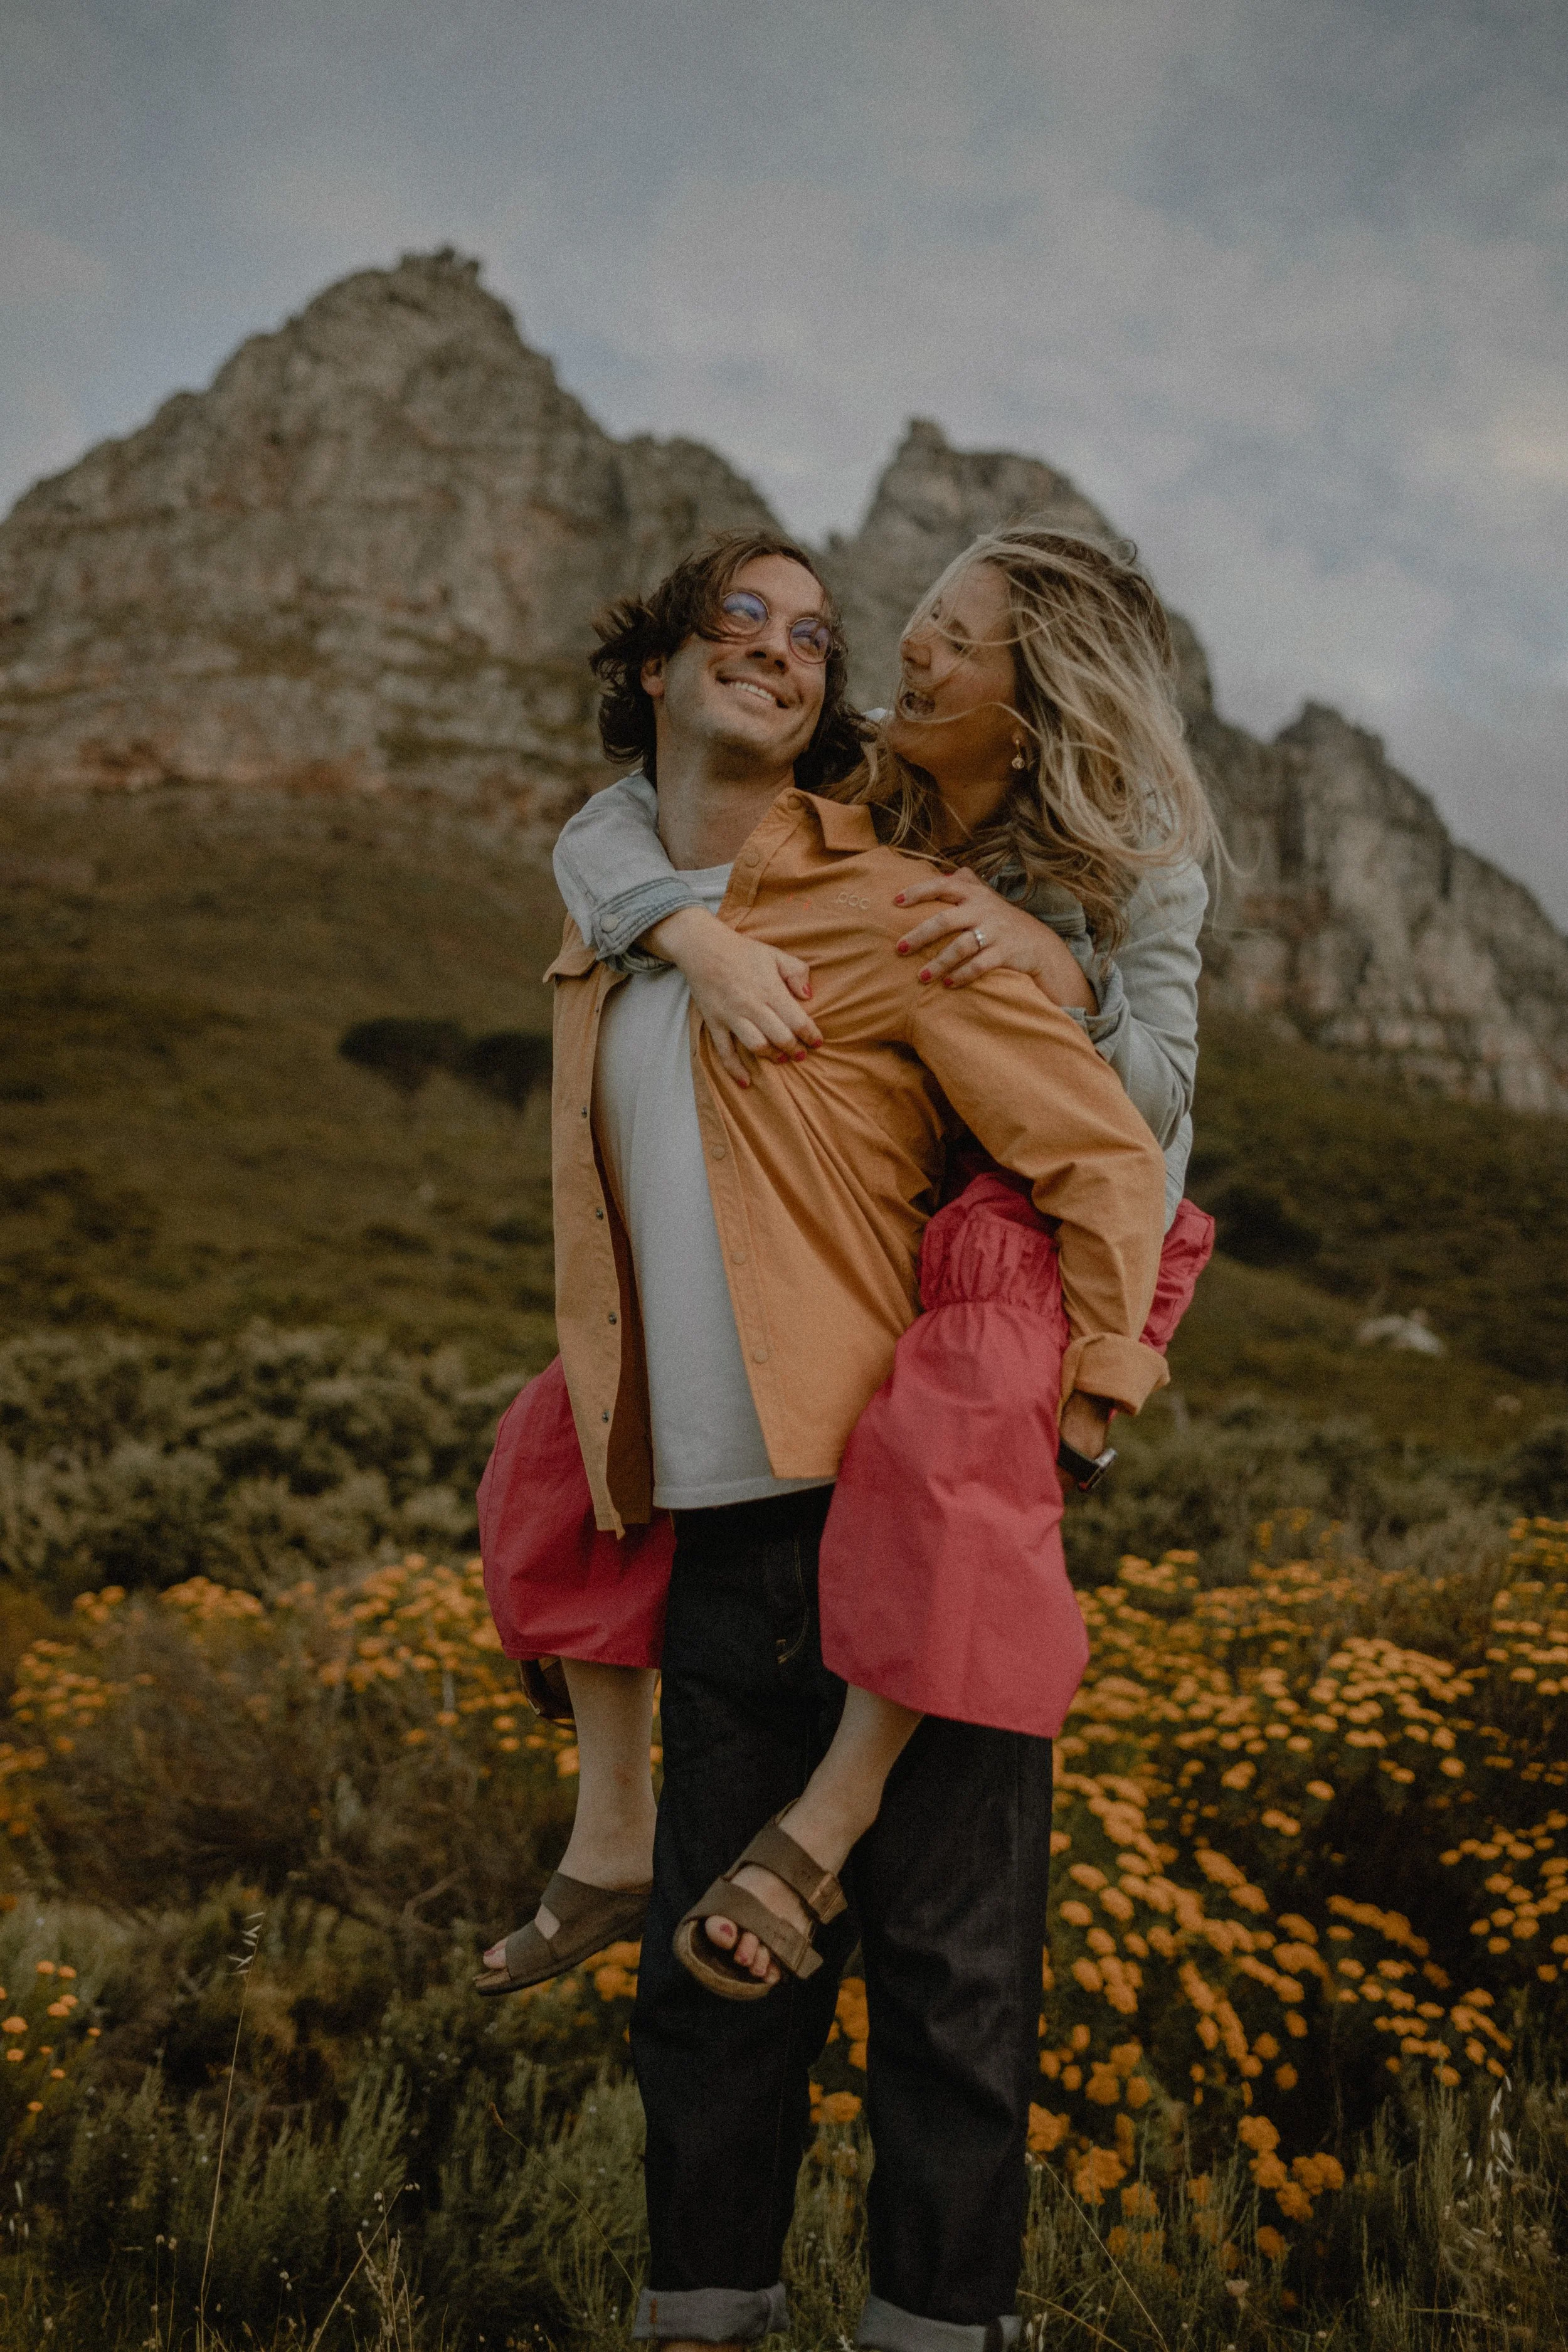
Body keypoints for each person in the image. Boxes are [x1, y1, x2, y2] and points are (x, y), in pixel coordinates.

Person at [492, 526, 1175, 2352]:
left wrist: (1090, 1390)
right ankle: (694, 2319)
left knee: (952, 2004)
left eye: (816, 634)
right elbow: (603, 842)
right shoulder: (614, 917)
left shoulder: (887, 903)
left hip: (896, 1507)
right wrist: (683, 927)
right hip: (714, 1536)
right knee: (708, 2007)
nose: (788, 648)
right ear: (656, 668)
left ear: (821, 714)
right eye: (742, 618)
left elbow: (1099, 1146)